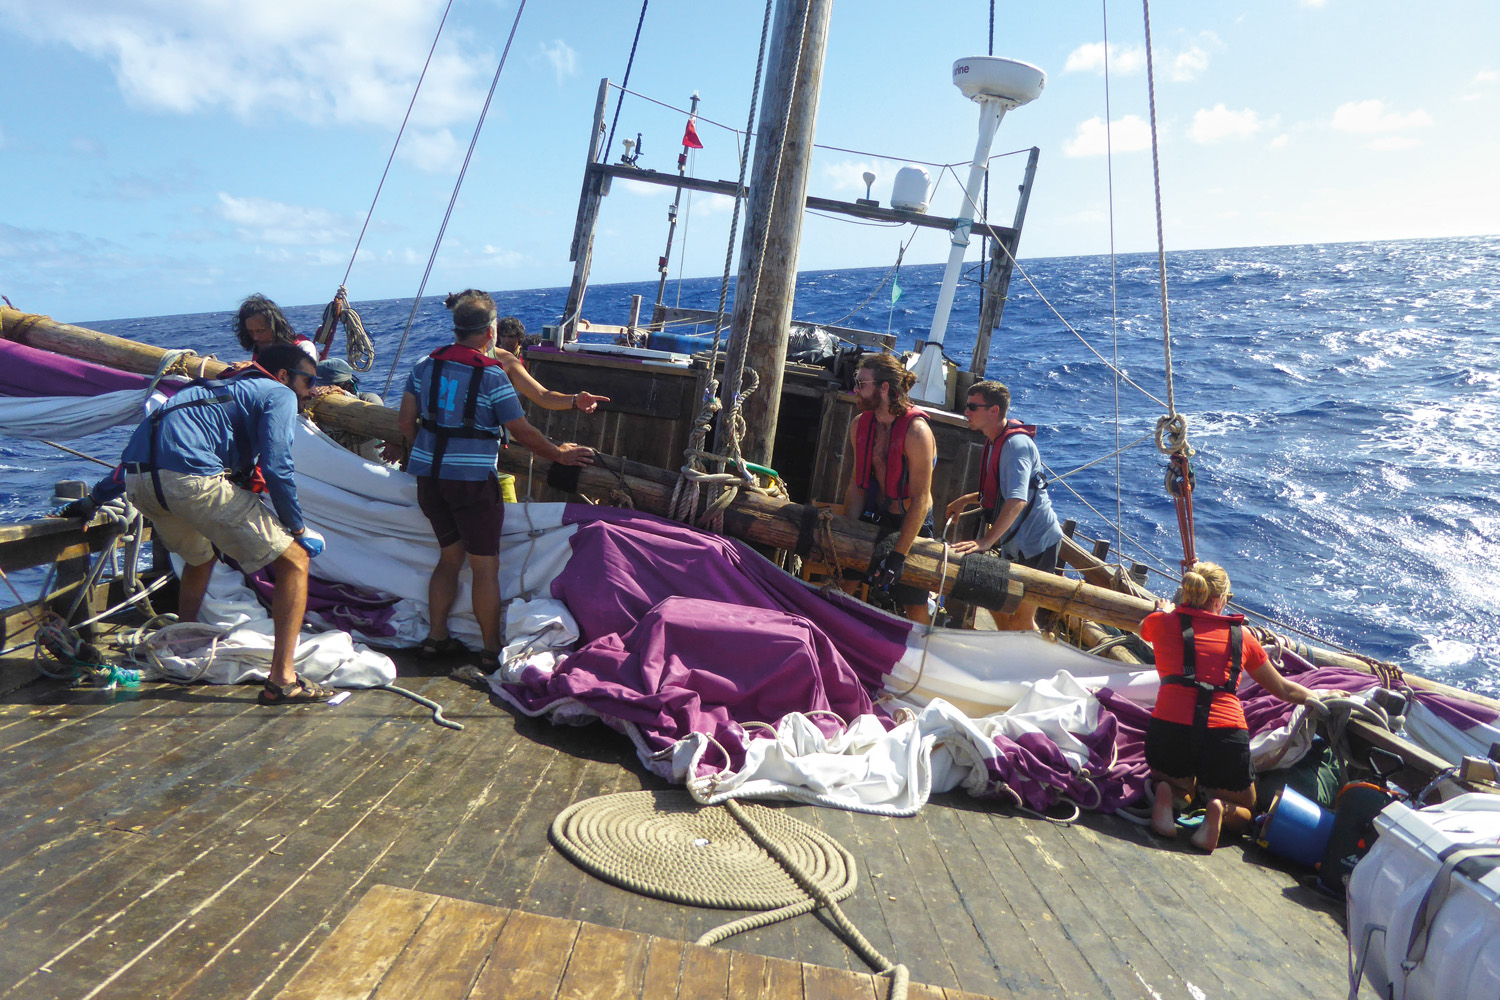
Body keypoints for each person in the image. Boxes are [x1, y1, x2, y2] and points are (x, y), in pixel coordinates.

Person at [109, 343, 329, 704]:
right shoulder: (279, 393)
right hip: (191, 482)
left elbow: (136, 456)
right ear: (286, 376)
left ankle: (181, 644)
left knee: (199, 558)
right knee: (294, 561)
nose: (311, 391)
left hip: (139, 484)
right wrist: (298, 529)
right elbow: (277, 466)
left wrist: (91, 502)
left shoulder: (200, 390)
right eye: (308, 381)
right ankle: (283, 680)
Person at [397, 289, 595, 669]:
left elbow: (406, 423)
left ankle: (436, 638)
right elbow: (521, 431)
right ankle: (490, 649)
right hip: (472, 482)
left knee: (449, 559)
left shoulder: (424, 365)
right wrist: (560, 455)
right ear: (490, 331)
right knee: (485, 567)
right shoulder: (491, 375)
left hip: (429, 480)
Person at [1142, 561, 1320, 852]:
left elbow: (1144, 629)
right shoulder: (1243, 637)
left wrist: (1165, 611)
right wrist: (1317, 698)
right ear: (1219, 600)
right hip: (1225, 735)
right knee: (1248, 810)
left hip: (1170, 729)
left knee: (1179, 785)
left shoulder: (1162, 623)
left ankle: (1169, 795)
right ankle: (1220, 810)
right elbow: (1283, 689)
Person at [946, 381, 1065, 630]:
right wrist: (964, 500)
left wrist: (985, 542)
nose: (966, 412)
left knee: (1021, 619)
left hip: (1037, 543)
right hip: (1015, 542)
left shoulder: (1015, 446)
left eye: (972, 407)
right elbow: (997, 492)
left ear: (994, 411)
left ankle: (1025, 662)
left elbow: (1017, 500)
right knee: (990, 597)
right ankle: (1010, 648)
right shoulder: (994, 440)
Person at [841, 353, 936, 624]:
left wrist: (898, 555)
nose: (855, 389)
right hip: (875, 515)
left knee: (914, 604)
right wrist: (847, 533)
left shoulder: (916, 433)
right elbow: (856, 485)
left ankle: (924, 657)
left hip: (911, 522)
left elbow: (920, 499)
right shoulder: (860, 424)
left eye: (862, 384)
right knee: (846, 584)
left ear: (884, 388)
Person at [236, 294, 318, 363]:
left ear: (276, 327)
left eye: (261, 331)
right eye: (250, 332)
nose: (255, 337)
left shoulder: (304, 348)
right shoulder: (262, 349)